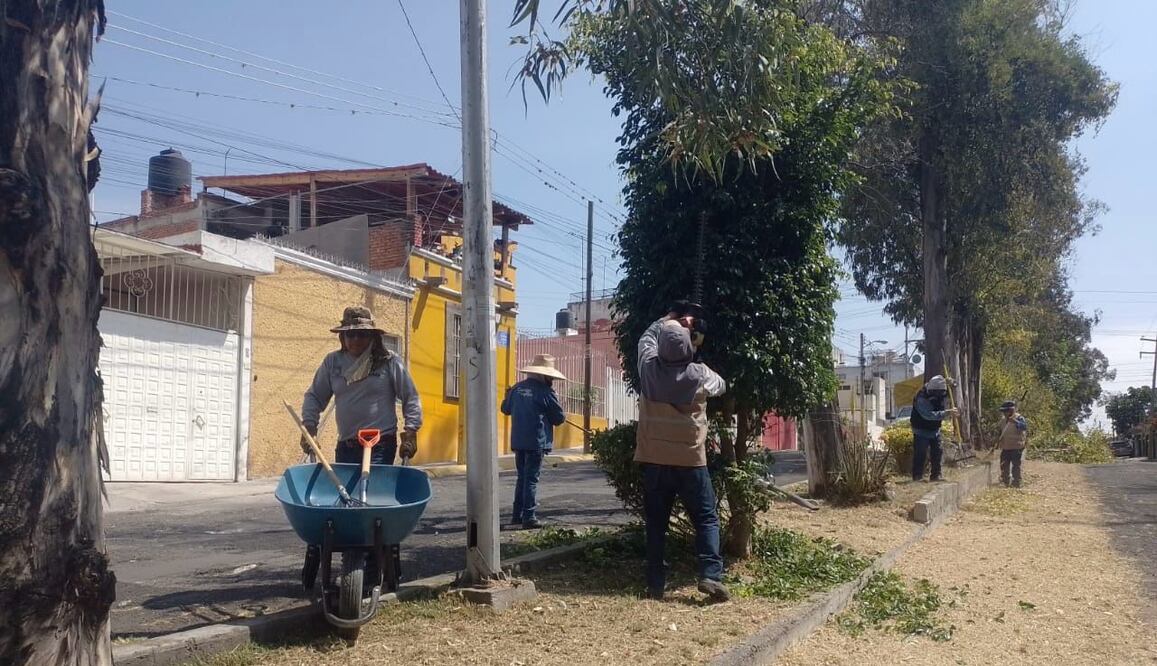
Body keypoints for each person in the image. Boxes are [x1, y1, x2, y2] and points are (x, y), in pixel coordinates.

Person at [635, 311, 729, 602]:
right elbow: (722, 386)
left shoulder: (648, 369)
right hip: (691, 462)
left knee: (656, 524)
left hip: (654, 461)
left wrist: (667, 319)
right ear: (691, 345)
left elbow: (646, 339)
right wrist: (693, 343)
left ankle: (655, 584)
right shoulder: (700, 375)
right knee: (706, 520)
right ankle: (710, 575)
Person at [300, 306, 422, 466]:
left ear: (372, 336)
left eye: (362, 334)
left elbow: (410, 397)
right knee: (345, 491)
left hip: (380, 445)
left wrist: (411, 431)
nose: (356, 339)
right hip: (347, 446)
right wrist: (309, 427)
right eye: (351, 334)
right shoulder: (333, 362)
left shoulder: (388, 361)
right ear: (343, 337)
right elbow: (315, 397)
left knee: (372, 490)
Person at [501, 354, 567, 530]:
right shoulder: (545, 392)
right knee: (531, 479)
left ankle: (517, 515)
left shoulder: (516, 389)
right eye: (550, 377)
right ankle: (529, 516)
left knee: (522, 478)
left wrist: (507, 395)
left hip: (519, 441)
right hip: (537, 441)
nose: (552, 379)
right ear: (544, 375)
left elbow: (505, 409)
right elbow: (559, 418)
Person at [910, 375, 958, 482]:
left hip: (935, 429)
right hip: (921, 428)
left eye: (941, 393)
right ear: (931, 391)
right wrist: (947, 413)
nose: (940, 396)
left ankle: (936, 475)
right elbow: (929, 415)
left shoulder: (939, 389)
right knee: (920, 453)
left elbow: (951, 385)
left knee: (937, 451)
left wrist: (952, 383)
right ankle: (917, 476)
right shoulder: (921, 398)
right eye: (938, 394)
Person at [996, 400, 1028, 488]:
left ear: (1011, 411)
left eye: (1006, 411)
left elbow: (1024, 427)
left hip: (1017, 446)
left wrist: (1015, 422)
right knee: (1004, 463)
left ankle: (1016, 482)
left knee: (1016, 465)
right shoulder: (1003, 420)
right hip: (1006, 446)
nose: (1004, 413)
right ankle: (1005, 480)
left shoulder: (1019, 418)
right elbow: (1000, 431)